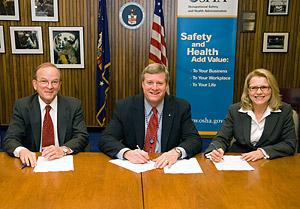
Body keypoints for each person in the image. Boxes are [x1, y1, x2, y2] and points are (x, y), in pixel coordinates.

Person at [99, 63, 202, 168]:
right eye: (150, 82)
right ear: (143, 84)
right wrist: (127, 153)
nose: (154, 88)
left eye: (159, 83)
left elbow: (194, 140)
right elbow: (106, 139)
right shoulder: (125, 107)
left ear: (166, 86)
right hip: (134, 167)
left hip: (166, 167)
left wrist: (176, 152)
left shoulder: (181, 107)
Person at [3, 62, 89, 167]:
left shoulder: (73, 105)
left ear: (59, 85)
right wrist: (22, 151)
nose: (49, 86)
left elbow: (82, 136)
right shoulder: (22, 106)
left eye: (54, 82)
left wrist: (63, 150)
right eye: (44, 81)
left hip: (63, 161)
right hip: (33, 164)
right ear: (35, 84)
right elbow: (11, 138)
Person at [205, 68, 297, 162]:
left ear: (272, 89)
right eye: (254, 88)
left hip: (270, 162)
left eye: (264, 87)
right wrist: (216, 150)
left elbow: (289, 144)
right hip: (240, 161)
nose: (259, 92)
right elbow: (221, 138)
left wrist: (262, 152)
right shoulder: (235, 110)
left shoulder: (284, 111)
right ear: (248, 91)